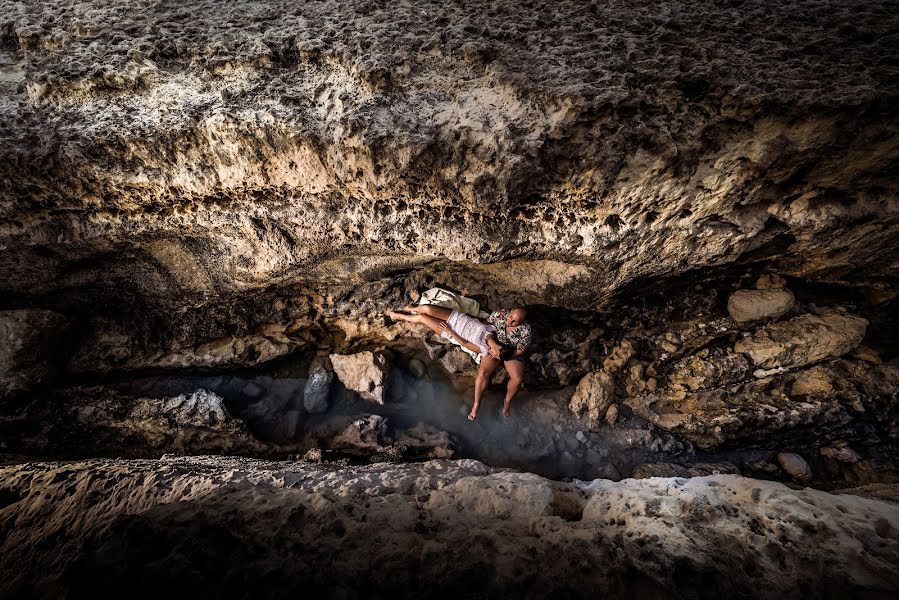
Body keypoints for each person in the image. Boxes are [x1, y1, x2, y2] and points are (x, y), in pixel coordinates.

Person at [475, 307, 531, 419]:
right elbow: (486, 323)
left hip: (512, 351)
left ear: (522, 322)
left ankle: (507, 401)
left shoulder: (526, 329)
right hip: (496, 345)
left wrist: (507, 356)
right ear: (510, 312)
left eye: (515, 321)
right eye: (510, 317)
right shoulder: (501, 315)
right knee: (483, 373)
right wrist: (491, 343)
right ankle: (476, 404)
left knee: (517, 379)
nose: (510, 322)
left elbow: (521, 349)